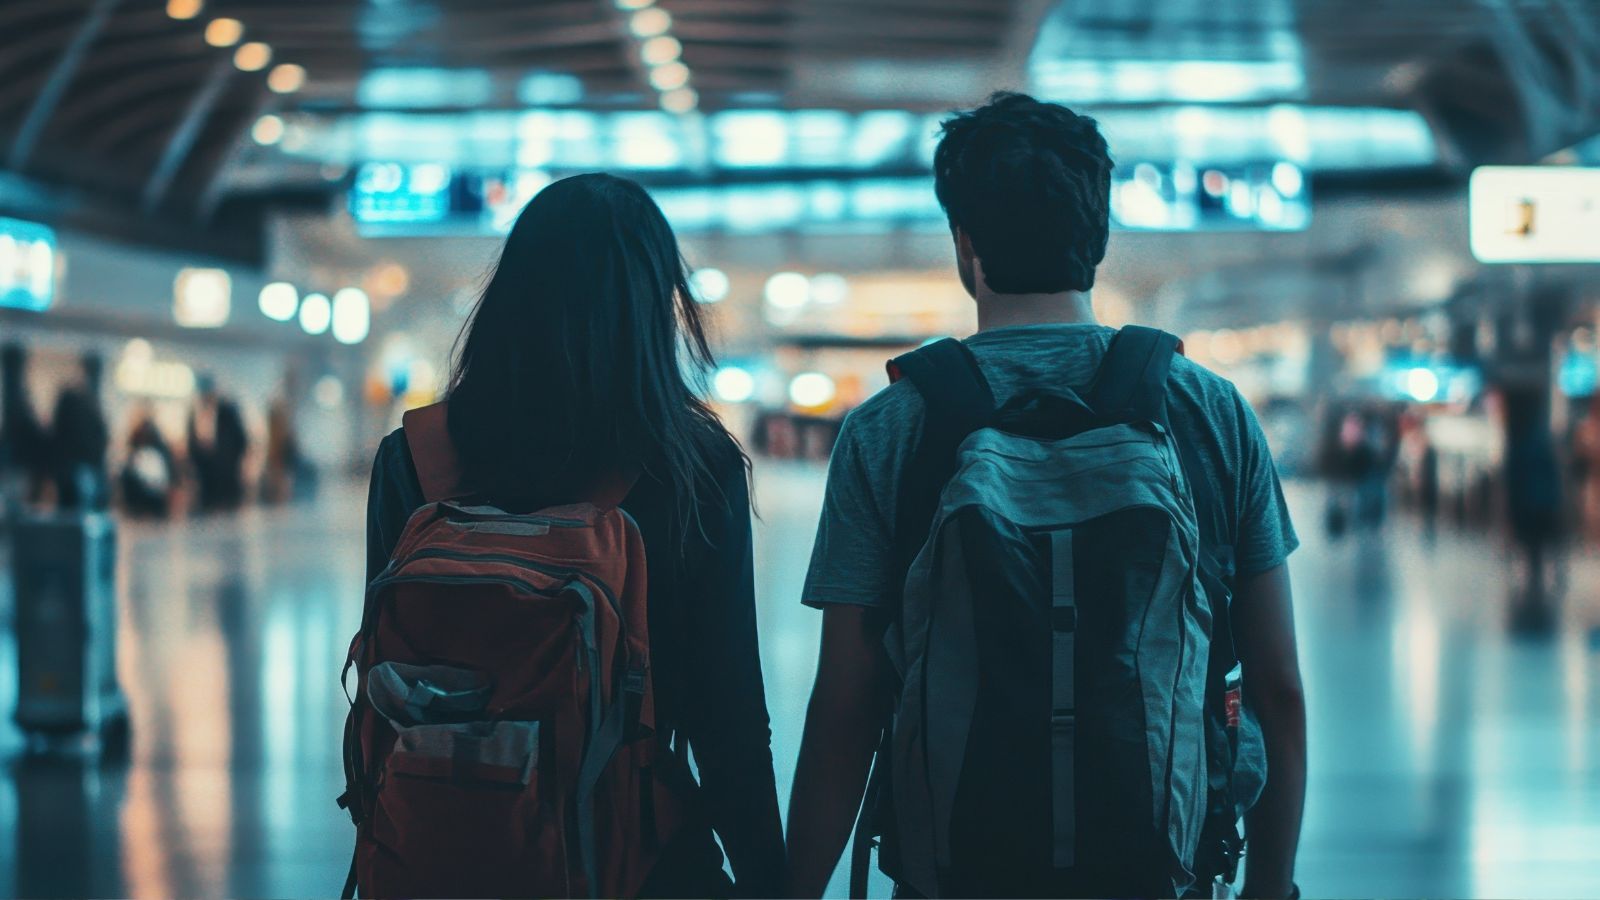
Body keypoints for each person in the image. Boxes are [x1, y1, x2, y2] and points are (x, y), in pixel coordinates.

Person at [786, 93, 1306, 898]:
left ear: (965, 243)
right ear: (1098, 237)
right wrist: (1271, 889)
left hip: (956, 874)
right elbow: (1277, 687)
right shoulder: (1210, 410)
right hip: (1159, 874)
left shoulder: (890, 427)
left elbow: (846, 703)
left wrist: (792, 886)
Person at [362, 173, 784, 897]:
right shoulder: (690, 464)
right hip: (637, 855)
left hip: (447, 846)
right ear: (653, 304)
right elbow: (729, 717)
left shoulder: (412, 457)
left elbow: (387, 680)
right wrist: (773, 882)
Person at [188, 376, 248, 510]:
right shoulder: (194, 414)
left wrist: (234, 463)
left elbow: (241, 440)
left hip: (227, 475)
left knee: (227, 511)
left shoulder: (227, 413)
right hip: (206, 477)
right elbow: (191, 444)